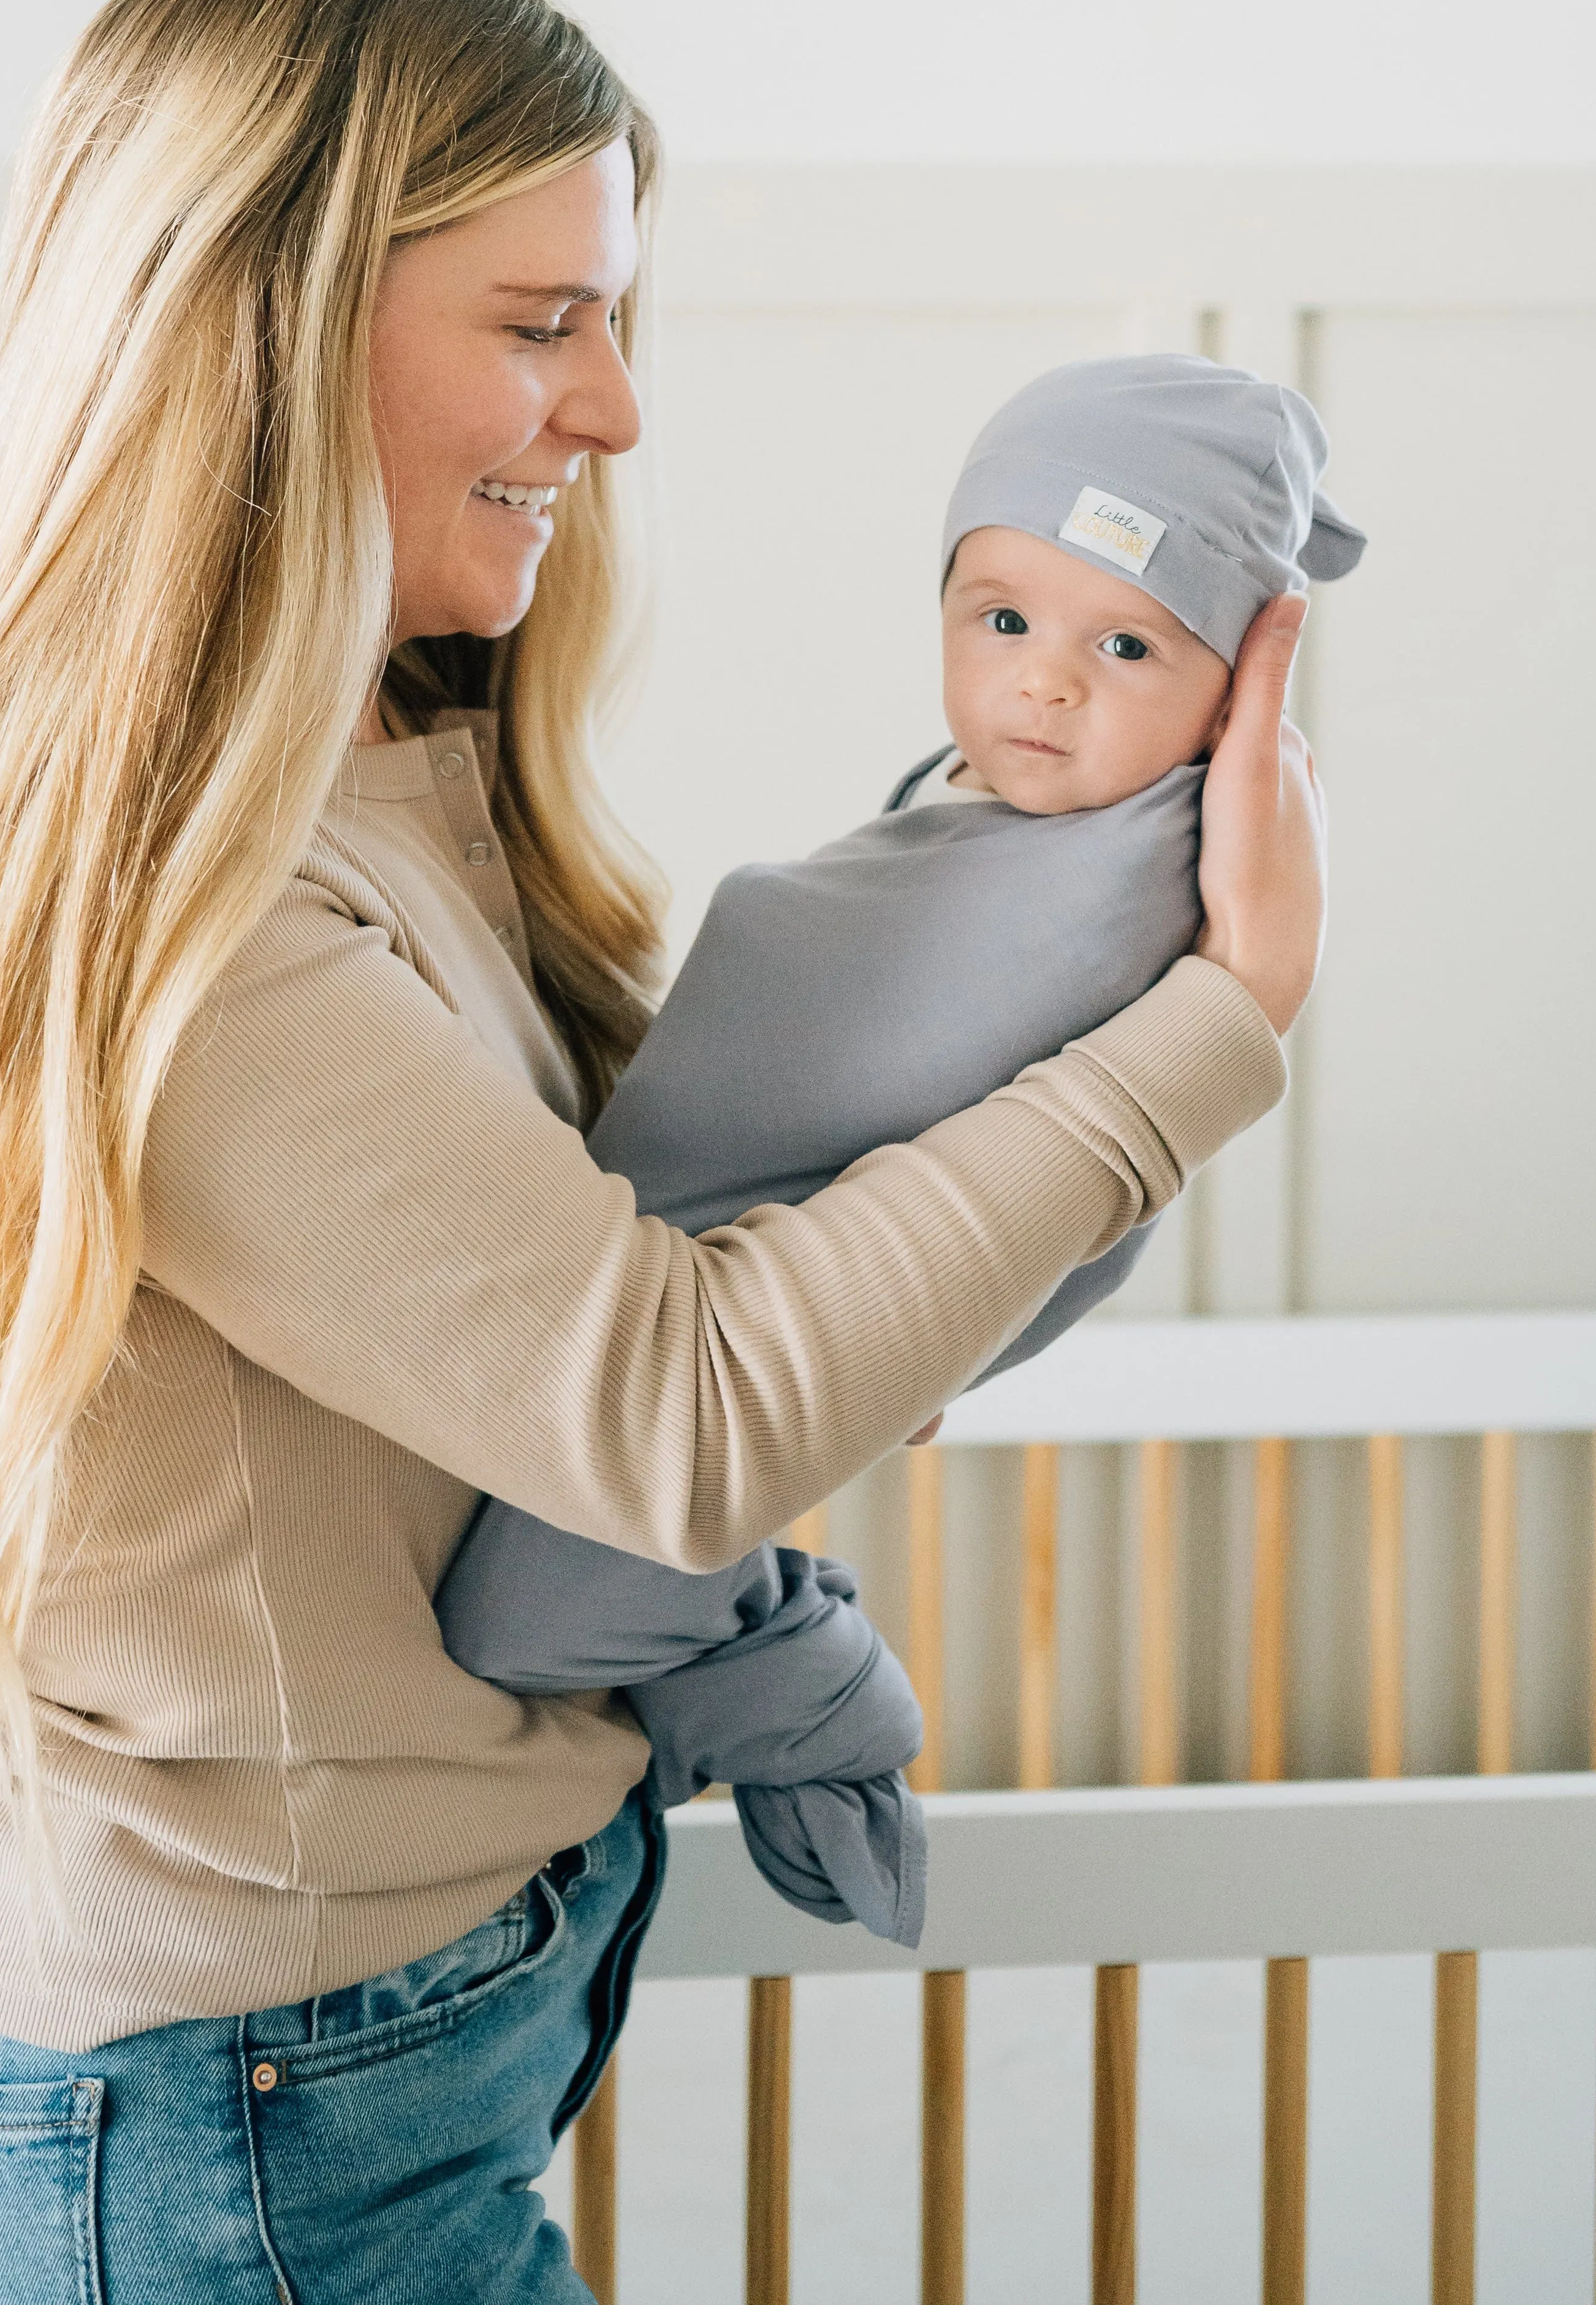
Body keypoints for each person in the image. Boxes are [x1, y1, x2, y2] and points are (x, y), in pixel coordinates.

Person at [0, 0, 1327, 2305]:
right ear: (261, 320)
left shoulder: (377, 753)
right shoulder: (195, 915)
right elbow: (673, 1415)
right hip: (217, 2124)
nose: (615, 408)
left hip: (326, 2072)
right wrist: (1215, 1022)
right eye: (541, 321)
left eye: (614, 319)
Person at [438, 351, 1362, 1947]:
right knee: (514, 1577)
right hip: (677, 1249)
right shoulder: (992, 802)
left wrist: (947, 1323)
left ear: (1237, 687)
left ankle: (803, 1678)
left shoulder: (1166, 867)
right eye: (1000, 618)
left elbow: (1079, 1163)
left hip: (756, 1283)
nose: (1044, 684)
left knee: (526, 1623)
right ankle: (741, 1641)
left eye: (1127, 643)